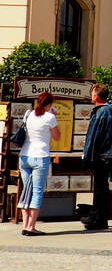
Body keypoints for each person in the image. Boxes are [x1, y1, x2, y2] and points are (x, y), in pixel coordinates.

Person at [17, 91, 61, 236]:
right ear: (50, 104)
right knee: (36, 192)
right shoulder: (50, 117)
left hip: (24, 156)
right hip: (40, 156)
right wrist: (54, 117)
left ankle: (24, 225)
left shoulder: (28, 114)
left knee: (26, 190)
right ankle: (31, 227)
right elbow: (57, 137)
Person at [81, 84, 112, 231]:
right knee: (101, 188)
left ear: (96, 96)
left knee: (100, 188)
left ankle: (97, 218)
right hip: (104, 155)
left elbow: (95, 136)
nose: (91, 96)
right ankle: (99, 218)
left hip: (101, 156)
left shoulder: (103, 111)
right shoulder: (107, 110)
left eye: (92, 94)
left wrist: (89, 155)